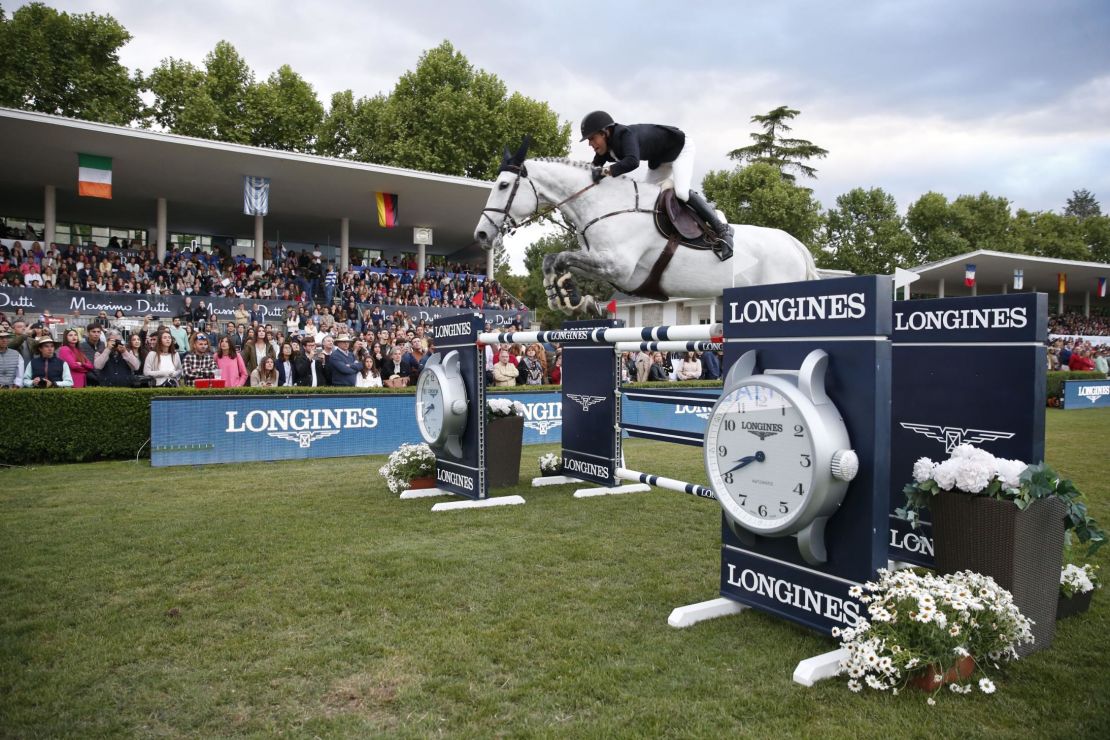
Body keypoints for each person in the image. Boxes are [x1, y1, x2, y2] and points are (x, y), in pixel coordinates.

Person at [580, 110, 733, 260]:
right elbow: (593, 168)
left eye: (592, 138)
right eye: (588, 140)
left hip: (680, 149)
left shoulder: (625, 134)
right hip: (660, 160)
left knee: (681, 192)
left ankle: (722, 228)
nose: (590, 144)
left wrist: (605, 172)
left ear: (604, 132)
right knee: (646, 200)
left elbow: (632, 161)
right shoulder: (605, 147)